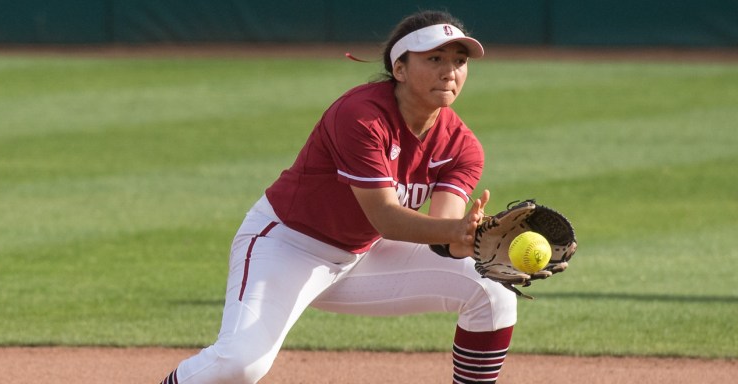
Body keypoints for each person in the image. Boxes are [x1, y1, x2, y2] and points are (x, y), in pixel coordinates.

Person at [160, 10, 517, 384]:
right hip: (286, 247)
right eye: (434, 59)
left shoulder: (463, 147)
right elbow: (386, 218)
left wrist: (474, 241)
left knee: (493, 292)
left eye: (460, 61)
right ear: (400, 69)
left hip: (363, 258)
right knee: (240, 365)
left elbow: (444, 238)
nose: (450, 71)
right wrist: (455, 232)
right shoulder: (361, 116)